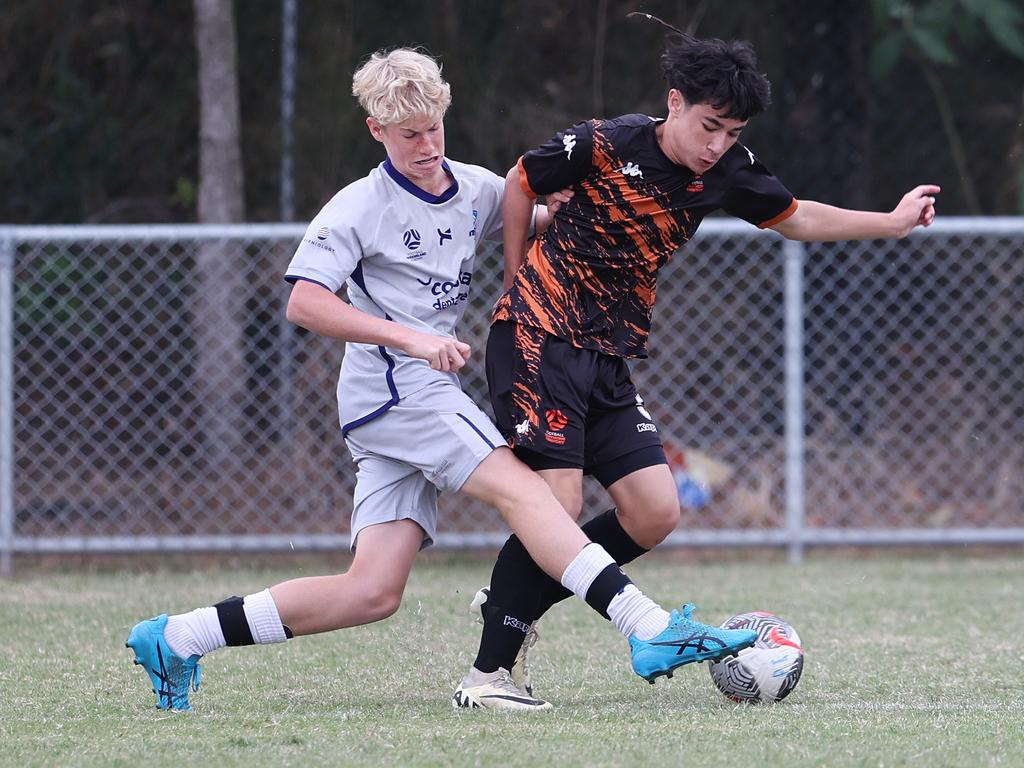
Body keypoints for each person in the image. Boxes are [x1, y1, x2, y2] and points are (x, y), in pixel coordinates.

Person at [125, 47, 759, 713]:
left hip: (401, 399)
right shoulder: (359, 206)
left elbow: (542, 217)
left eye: (434, 128)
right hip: (399, 390)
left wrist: (583, 203)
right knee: (535, 497)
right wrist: (410, 336)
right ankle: (650, 629)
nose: (427, 146)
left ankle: (177, 636)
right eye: (408, 135)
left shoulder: (475, 187)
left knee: (372, 591)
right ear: (376, 131)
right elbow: (304, 302)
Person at [458, 26, 939, 709]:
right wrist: (513, 282)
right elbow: (521, 181)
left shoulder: (728, 170)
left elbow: (797, 218)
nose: (716, 145)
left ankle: (521, 587)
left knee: (655, 511)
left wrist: (890, 222)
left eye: (731, 131)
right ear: (674, 102)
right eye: (710, 126)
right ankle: (488, 678)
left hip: (606, 354)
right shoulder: (606, 142)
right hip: (540, 336)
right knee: (558, 507)